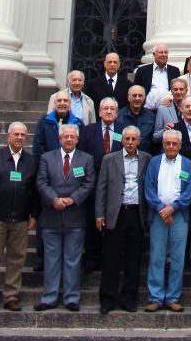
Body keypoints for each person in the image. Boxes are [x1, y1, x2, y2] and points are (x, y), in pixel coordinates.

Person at [0, 122, 39, 313]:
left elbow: (35, 191)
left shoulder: (31, 161)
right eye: (16, 134)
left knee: (17, 258)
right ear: (8, 136)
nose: (19, 137)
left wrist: (34, 215)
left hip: (20, 218)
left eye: (23, 135)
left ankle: (11, 295)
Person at [34, 124, 95, 312]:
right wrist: (54, 199)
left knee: (72, 260)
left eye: (72, 137)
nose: (69, 139)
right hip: (52, 216)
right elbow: (41, 181)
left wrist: (72, 199)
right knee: (51, 259)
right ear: (59, 139)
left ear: (77, 139)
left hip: (75, 216)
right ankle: (49, 296)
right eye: (65, 136)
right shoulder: (46, 158)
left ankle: (71, 297)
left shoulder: (86, 159)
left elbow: (89, 182)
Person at [95, 126, 151, 314]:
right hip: (115, 214)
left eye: (133, 139)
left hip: (136, 213)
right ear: (122, 140)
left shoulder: (146, 159)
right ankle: (108, 298)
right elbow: (101, 188)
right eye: (127, 138)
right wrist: (99, 214)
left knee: (133, 258)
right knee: (111, 258)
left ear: (139, 141)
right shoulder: (109, 159)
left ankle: (128, 298)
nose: (129, 142)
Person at [144, 130, 191, 312]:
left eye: (175, 144)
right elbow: (149, 187)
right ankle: (155, 297)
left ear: (180, 145)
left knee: (177, 258)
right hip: (158, 215)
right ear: (163, 145)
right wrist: (160, 208)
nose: (171, 146)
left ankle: (173, 297)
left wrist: (173, 208)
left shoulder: (187, 164)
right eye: (168, 143)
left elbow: (189, 190)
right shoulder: (154, 162)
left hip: (179, 215)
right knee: (157, 256)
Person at [79, 97, 125, 273]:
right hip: (93, 184)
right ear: (99, 112)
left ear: (117, 112)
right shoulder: (88, 131)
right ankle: (92, 257)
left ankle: (112, 258)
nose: (108, 111)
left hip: (117, 185)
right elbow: (81, 156)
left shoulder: (123, 130)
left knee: (115, 224)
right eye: (105, 108)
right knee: (93, 223)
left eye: (112, 109)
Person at [153, 78, 191, 146]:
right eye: (175, 89)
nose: (178, 92)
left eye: (181, 89)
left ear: (186, 90)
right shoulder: (162, 109)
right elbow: (155, 137)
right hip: (170, 150)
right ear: (171, 91)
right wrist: (165, 131)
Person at [33, 90, 83, 157]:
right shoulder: (44, 122)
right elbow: (38, 148)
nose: (62, 103)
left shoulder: (79, 124)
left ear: (70, 103)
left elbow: (82, 148)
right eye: (59, 100)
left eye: (65, 100)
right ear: (54, 103)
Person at [84, 52, 133, 118]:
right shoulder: (93, 84)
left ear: (119, 65)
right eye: (110, 62)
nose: (112, 64)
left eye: (115, 62)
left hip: (121, 123)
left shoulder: (128, 84)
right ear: (104, 64)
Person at [133, 43, 180, 111]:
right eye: (161, 52)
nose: (163, 55)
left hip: (168, 110)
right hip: (147, 111)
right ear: (154, 55)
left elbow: (177, 90)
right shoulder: (142, 70)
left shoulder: (175, 71)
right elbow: (136, 89)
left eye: (165, 52)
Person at [117, 85, 155, 153]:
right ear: (128, 97)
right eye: (134, 95)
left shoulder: (151, 117)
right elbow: (115, 137)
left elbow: (153, 139)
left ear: (144, 98)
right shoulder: (119, 115)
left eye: (140, 96)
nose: (137, 98)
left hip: (145, 157)